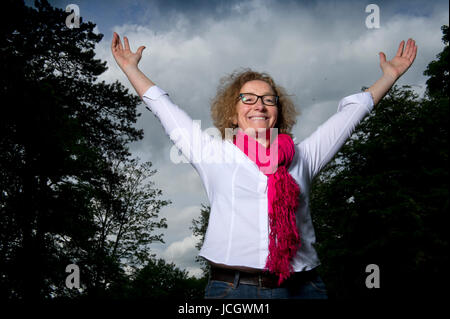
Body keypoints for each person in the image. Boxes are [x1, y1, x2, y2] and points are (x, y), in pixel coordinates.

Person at [111, 32, 417, 299]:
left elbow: (349, 117)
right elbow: (165, 109)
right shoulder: (212, 152)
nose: (259, 104)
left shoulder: (304, 156)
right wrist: (130, 69)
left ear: (278, 114)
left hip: (305, 289)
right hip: (233, 290)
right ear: (232, 114)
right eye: (248, 98)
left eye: (269, 100)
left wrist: (389, 76)